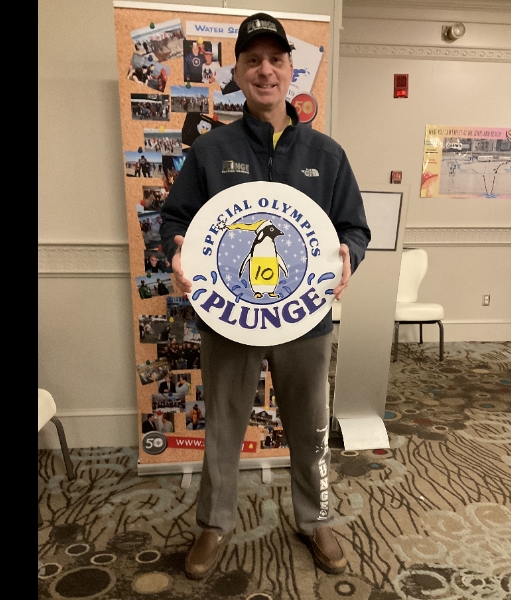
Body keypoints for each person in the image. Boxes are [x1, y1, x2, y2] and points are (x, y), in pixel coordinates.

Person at [159, 12, 370, 581]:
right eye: (253, 60)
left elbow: (354, 228)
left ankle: (316, 518)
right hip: (230, 317)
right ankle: (214, 523)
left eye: (275, 59)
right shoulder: (211, 150)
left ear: (291, 69)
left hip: (306, 318)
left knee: (310, 425)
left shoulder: (326, 154)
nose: (265, 70)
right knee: (224, 425)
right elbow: (176, 220)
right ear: (237, 73)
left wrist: (349, 254)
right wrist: (176, 251)